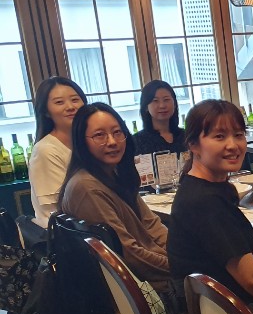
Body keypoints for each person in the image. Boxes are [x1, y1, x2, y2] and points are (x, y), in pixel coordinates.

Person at [167, 100, 253, 314]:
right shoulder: (204, 202)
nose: (233, 145)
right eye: (219, 136)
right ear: (193, 144)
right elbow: (252, 279)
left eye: (238, 134)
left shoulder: (212, 188)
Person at [59, 103, 169, 287]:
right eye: (99, 135)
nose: (112, 141)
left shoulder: (114, 174)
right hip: (144, 288)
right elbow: (130, 255)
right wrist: (181, 266)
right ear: (81, 141)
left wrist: (183, 255)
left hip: (155, 276)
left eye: (117, 132)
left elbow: (152, 224)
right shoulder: (86, 187)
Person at [28, 76, 88, 227]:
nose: (70, 107)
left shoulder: (88, 141)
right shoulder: (45, 150)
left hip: (92, 223)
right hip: (67, 232)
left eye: (75, 100)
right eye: (59, 102)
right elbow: (56, 209)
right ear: (46, 112)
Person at [132, 80, 187, 156]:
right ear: (146, 107)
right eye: (155, 101)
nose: (162, 106)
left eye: (166, 100)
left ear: (174, 104)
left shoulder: (186, 136)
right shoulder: (136, 142)